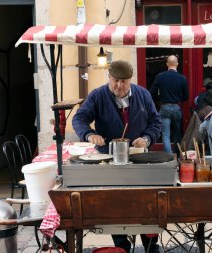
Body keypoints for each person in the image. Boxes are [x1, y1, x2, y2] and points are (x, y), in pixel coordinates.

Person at [72, 60, 162, 253]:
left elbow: (156, 121)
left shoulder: (143, 94)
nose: (119, 86)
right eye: (115, 81)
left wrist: (147, 138)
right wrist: (89, 134)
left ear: (130, 80)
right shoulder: (98, 96)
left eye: (124, 81)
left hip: (140, 159)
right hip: (110, 160)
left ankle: (150, 244)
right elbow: (79, 118)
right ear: (109, 78)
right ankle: (121, 245)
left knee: (146, 202)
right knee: (116, 203)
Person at [150, 55, 189, 153]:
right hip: (176, 107)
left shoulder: (160, 76)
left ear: (167, 64)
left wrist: (159, 99)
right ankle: (178, 154)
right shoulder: (182, 78)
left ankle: (169, 156)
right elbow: (186, 97)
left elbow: (152, 93)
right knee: (177, 134)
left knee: (166, 134)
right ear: (177, 64)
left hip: (164, 107)